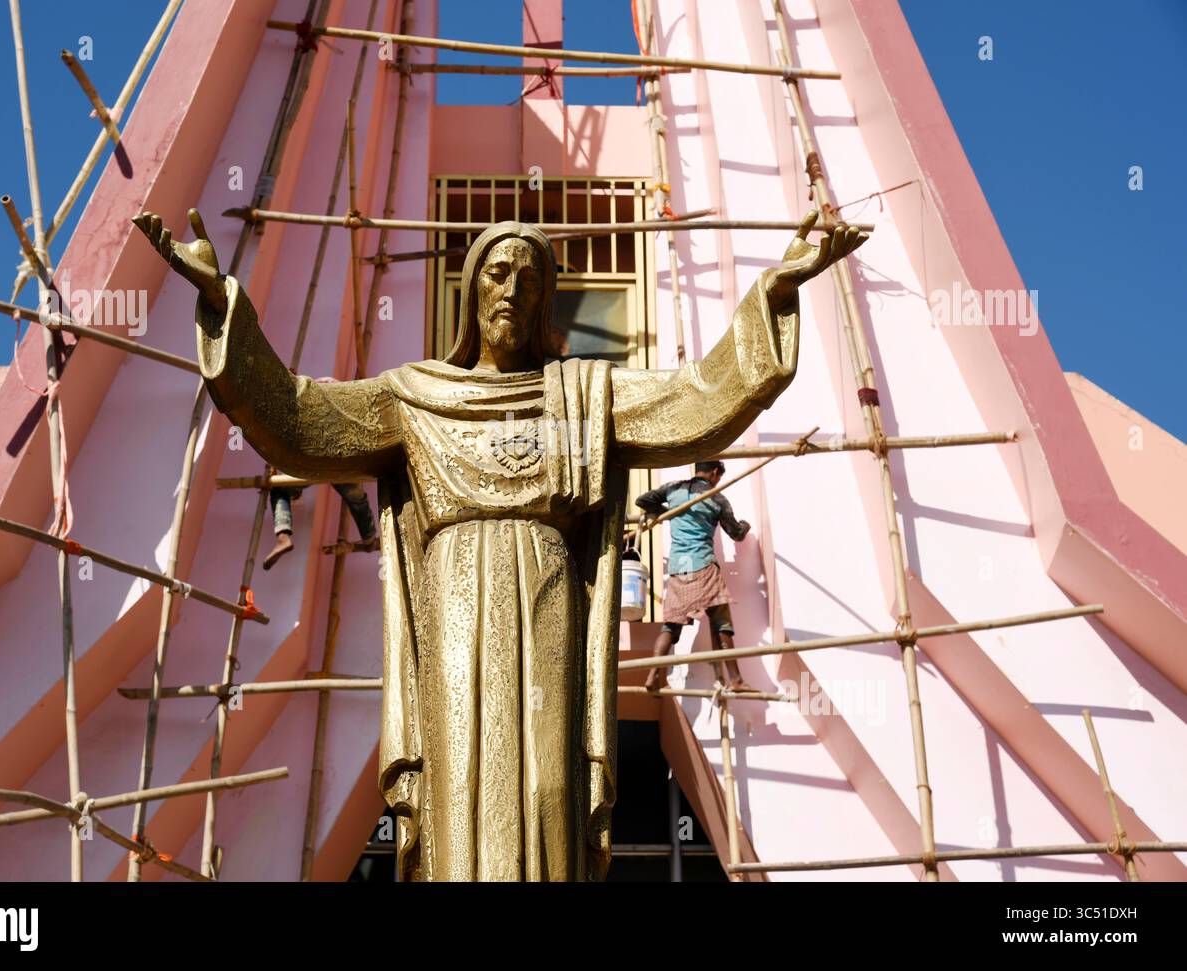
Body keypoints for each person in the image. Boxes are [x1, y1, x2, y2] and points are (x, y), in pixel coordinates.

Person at [133, 205, 863, 881]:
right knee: (462, 780)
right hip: (453, 604)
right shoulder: (413, 396)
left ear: (546, 298)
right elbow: (298, 416)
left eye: (530, 276)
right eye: (497, 270)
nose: (512, 287)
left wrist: (772, 294)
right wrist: (223, 303)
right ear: (472, 289)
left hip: (547, 599)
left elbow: (694, 400)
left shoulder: (583, 393)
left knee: (546, 783)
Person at [636, 460, 754, 694]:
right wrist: (746, 525)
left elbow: (643, 500)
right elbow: (737, 534)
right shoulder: (717, 498)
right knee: (722, 623)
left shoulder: (674, 488)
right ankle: (737, 681)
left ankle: (653, 675)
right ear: (715, 472)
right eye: (719, 476)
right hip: (704, 565)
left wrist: (667, 512)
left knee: (670, 627)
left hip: (680, 568)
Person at [262, 481, 379, 571]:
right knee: (358, 501)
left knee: (280, 489)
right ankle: (369, 539)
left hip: (314, 459)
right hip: (345, 459)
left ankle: (283, 537)